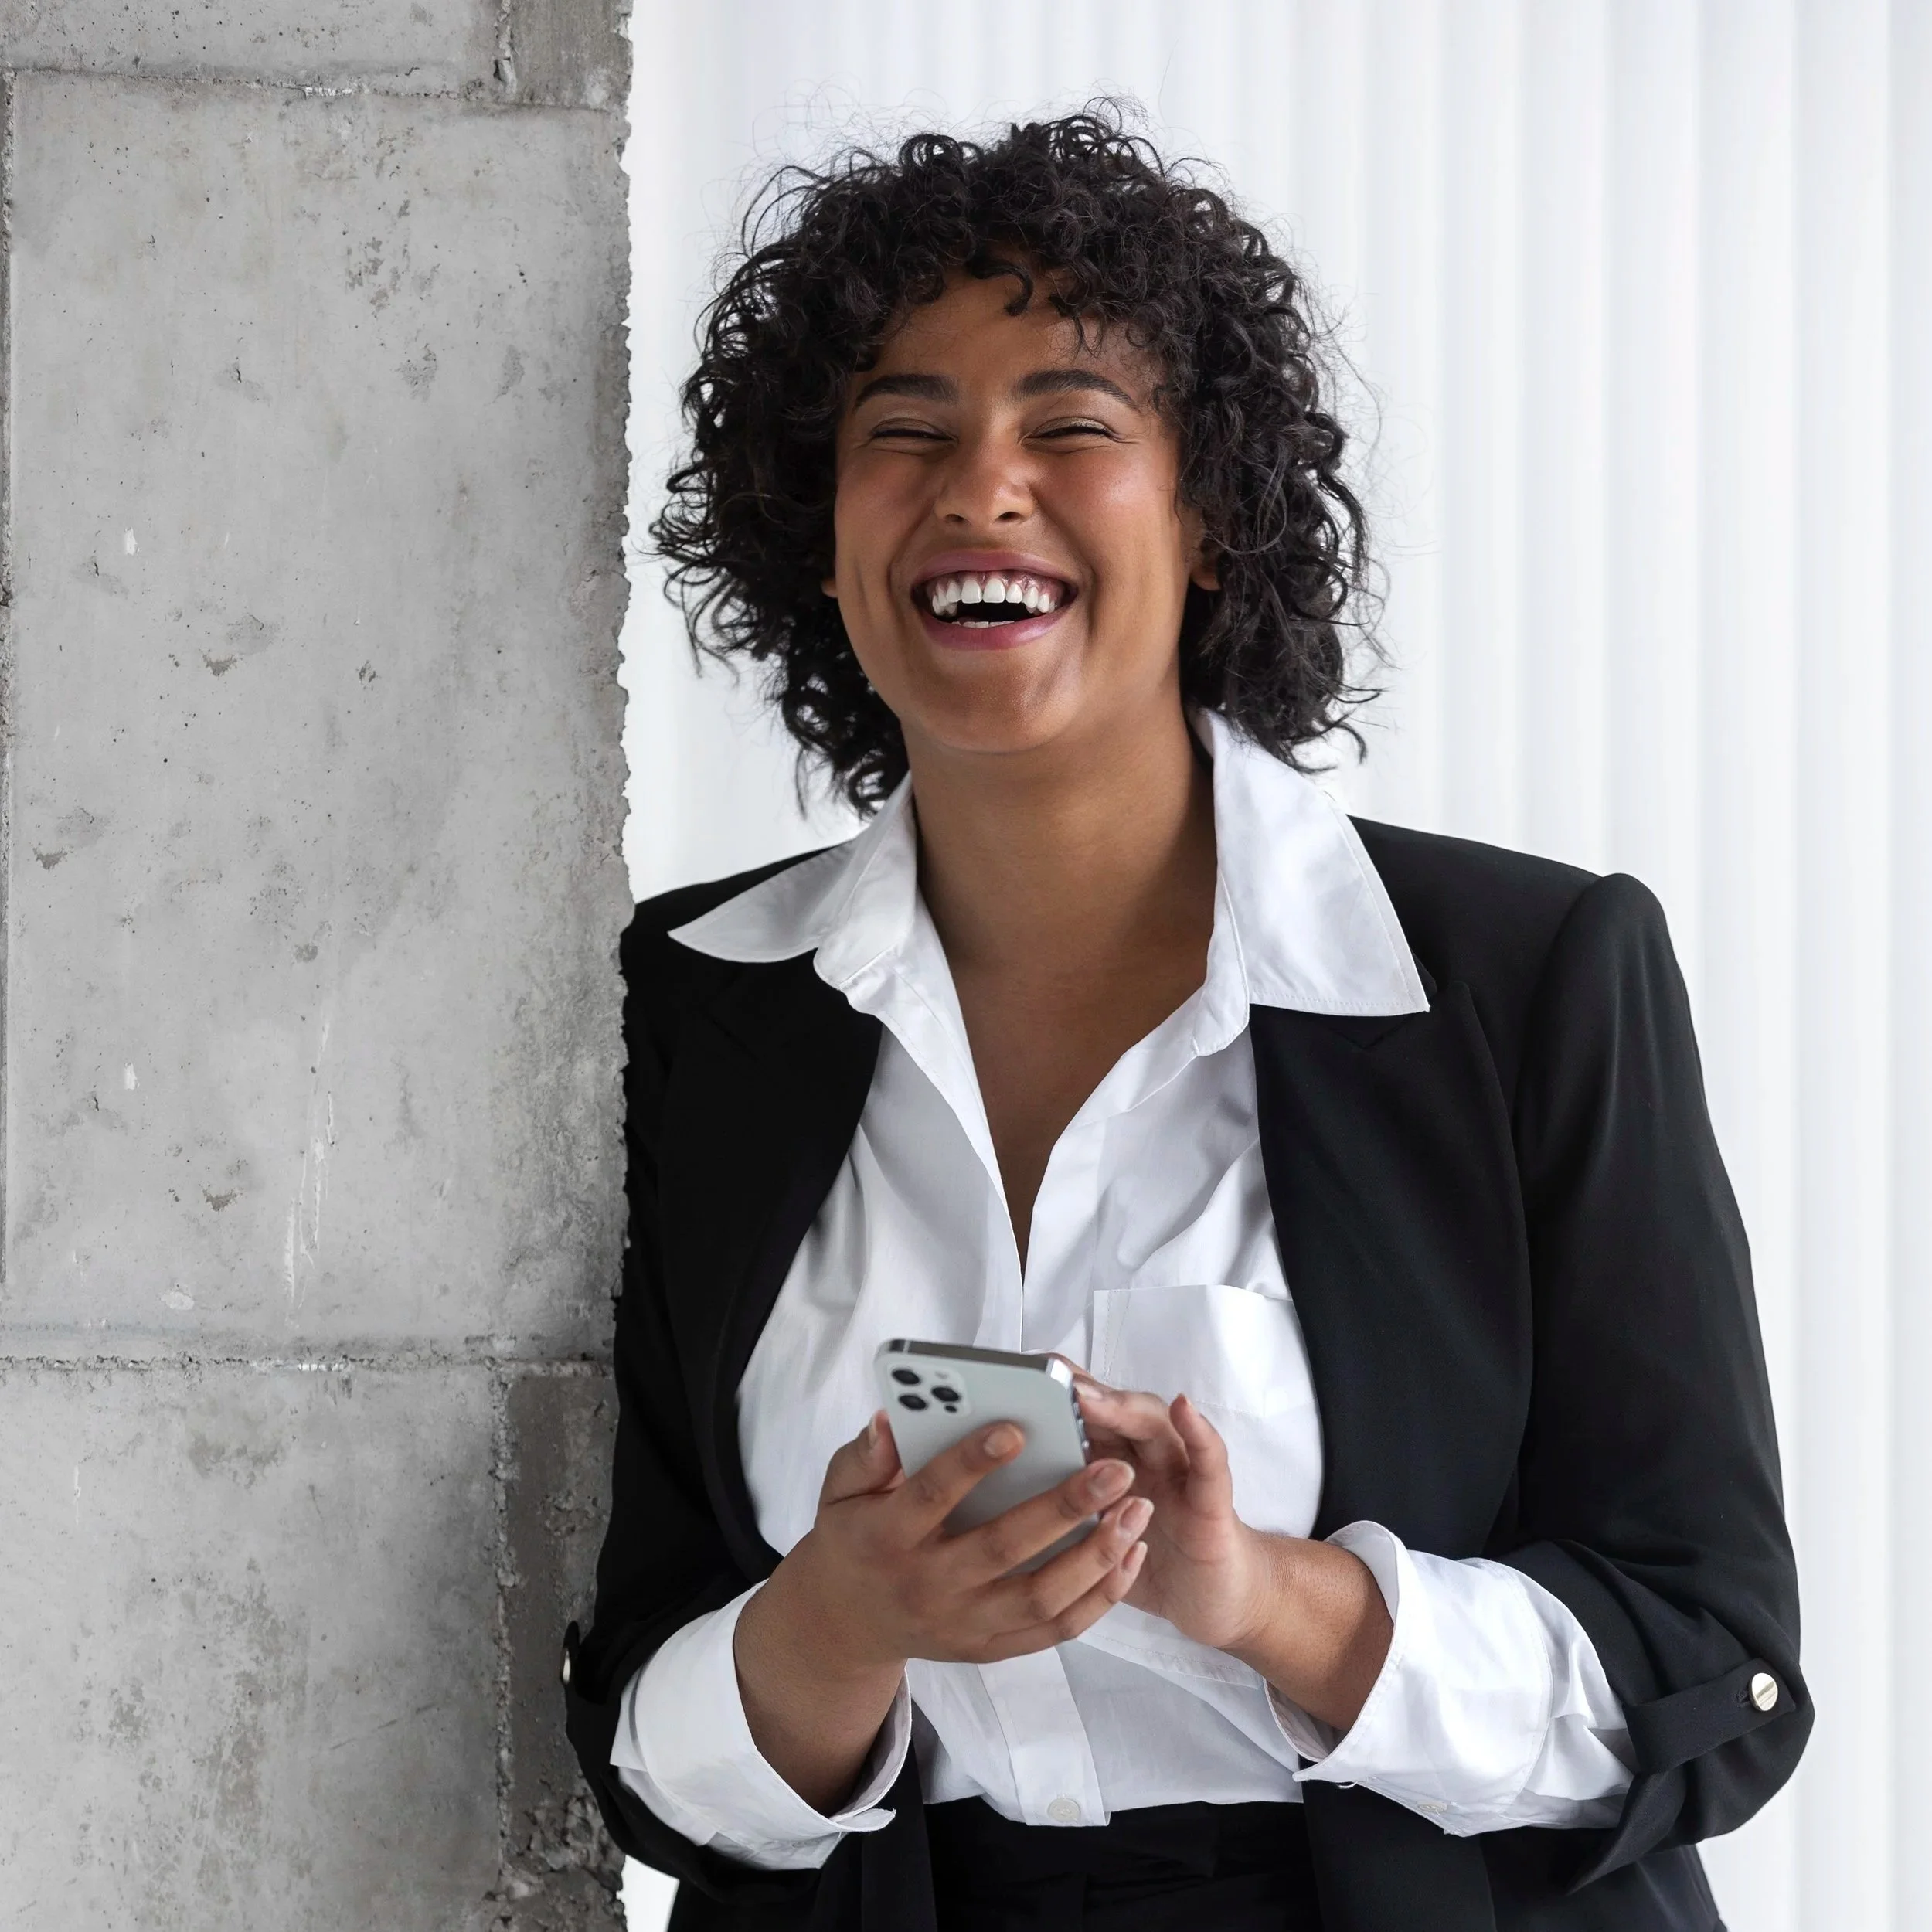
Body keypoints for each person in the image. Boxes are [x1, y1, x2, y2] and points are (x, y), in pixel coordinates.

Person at [563, 111, 1807, 1931]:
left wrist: (1262, 1594)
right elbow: (633, 1731)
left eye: (1069, 424)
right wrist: (833, 1624)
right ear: (816, 539)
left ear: (1212, 516)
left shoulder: (1519, 977)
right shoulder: (682, 1010)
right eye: (901, 430)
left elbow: (1711, 1677)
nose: (979, 486)